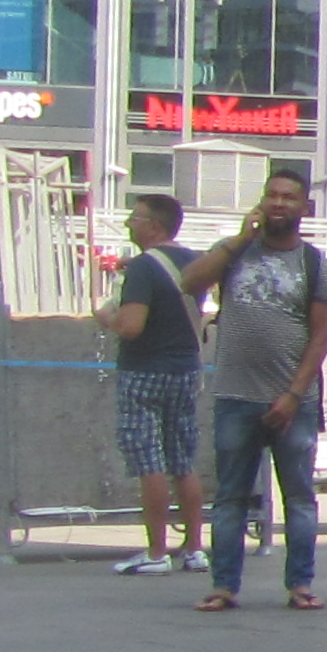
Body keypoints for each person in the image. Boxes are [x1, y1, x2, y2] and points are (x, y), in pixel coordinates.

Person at [179, 168, 327, 612]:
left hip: (294, 402)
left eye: (289, 197)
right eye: (271, 195)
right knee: (230, 496)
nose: (278, 203)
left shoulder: (315, 265)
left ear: (304, 208)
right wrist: (236, 239)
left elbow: (321, 336)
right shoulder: (236, 254)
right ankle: (224, 585)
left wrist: (293, 395)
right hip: (235, 396)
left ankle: (300, 585)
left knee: (299, 497)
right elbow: (189, 284)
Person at [94, 193, 209, 575]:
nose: (130, 224)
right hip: (186, 370)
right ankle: (194, 548)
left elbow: (131, 326)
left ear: (155, 226)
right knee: (182, 461)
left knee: (149, 461)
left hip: (145, 371)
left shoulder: (144, 269)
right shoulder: (194, 261)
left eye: (136, 219)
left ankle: (156, 552)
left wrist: (104, 315)